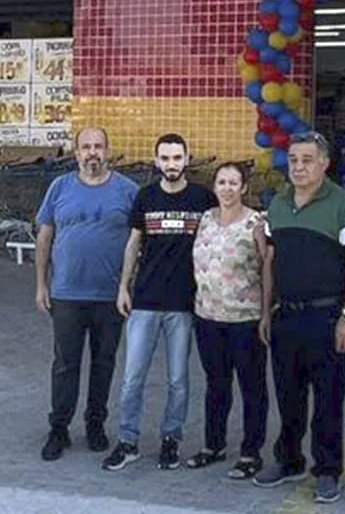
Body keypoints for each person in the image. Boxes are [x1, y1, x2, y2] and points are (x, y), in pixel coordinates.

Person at [255, 133, 345, 504]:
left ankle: (328, 470)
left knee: (328, 399)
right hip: (285, 317)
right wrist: (266, 311)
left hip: (327, 318)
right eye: (293, 159)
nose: (299, 167)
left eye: (307, 160)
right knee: (288, 395)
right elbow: (270, 261)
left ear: (325, 163)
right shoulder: (278, 203)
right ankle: (289, 460)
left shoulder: (343, 203)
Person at [105, 134, 216, 472]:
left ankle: (171, 439)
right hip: (145, 301)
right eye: (165, 158)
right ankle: (128, 441)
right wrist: (123, 287)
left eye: (177, 157)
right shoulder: (146, 197)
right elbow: (133, 243)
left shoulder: (202, 199)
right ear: (157, 161)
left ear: (187, 159)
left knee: (178, 380)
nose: (171, 164)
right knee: (132, 378)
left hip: (183, 304)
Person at [36, 127, 140, 461]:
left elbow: (139, 240)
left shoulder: (128, 191)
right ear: (76, 152)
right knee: (65, 364)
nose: (92, 152)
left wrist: (130, 285)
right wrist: (41, 284)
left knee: (103, 363)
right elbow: (45, 236)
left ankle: (95, 423)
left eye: (98, 146)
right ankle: (59, 427)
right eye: (86, 147)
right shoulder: (60, 187)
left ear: (107, 151)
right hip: (66, 293)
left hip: (110, 295)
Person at [186, 162, 270, 480]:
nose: (227, 188)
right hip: (208, 316)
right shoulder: (206, 219)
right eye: (221, 182)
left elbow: (267, 268)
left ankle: (251, 452)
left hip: (245, 319)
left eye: (234, 183)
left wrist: (266, 312)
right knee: (216, 384)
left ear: (244, 187)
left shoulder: (256, 222)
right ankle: (213, 445)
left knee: (251, 386)